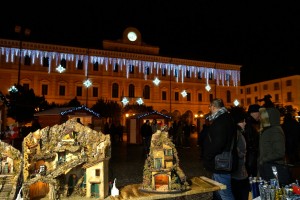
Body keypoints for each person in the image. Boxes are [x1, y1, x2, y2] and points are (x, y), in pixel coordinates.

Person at [202, 98, 237, 200]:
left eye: (210, 107)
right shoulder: (226, 118)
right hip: (221, 162)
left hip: (220, 163)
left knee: (225, 194)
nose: (210, 109)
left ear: (213, 107)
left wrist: (207, 156)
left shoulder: (221, 120)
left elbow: (218, 143)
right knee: (219, 193)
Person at [258, 106, 286, 182]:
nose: (260, 118)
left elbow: (280, 152)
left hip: (273, 167)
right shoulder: (267, 130)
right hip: (267, 166)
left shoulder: (275, 130)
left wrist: (263, 160)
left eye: (263, 117)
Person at [230, 107, 249, 200]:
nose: (245, 123)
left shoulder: (233, 132)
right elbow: (240, 153)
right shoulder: (238, 134)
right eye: (243, 121)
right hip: (239, 173)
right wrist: (243, 153)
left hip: (234, 172)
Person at [244, 104, 260, 177]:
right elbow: (250, 140)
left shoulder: (253, 123)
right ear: (253, 113)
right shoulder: (249, 124)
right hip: (251, 154)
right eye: (259, 113)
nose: (260, 115)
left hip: (251, 154)